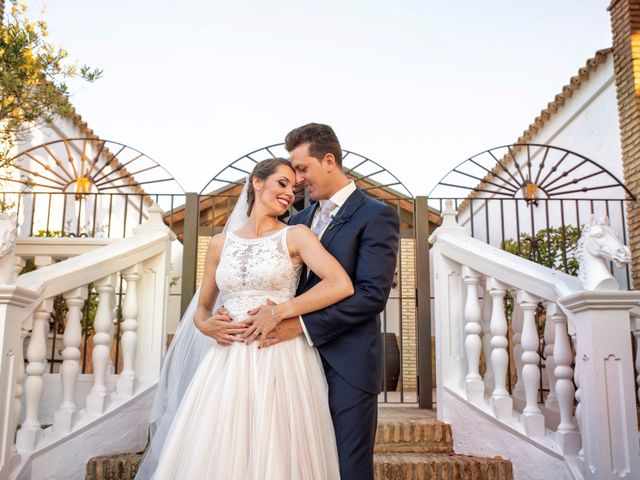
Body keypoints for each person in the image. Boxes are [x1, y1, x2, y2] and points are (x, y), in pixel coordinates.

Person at [136, 158, 353, 479]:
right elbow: (202, 307)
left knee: (275, 446)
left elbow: (341, 284)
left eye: (293, 189)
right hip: (226, 361)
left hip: (278, 355)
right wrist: (205, 325)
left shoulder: (297, 236)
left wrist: (281, 311)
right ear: (257, 182)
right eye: (282, 183)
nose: (289, 194)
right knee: (219, 447)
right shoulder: (220, 244)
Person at [240, 123, 400, 479]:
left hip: (349, 364)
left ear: (329, 160)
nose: (296, 180)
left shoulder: (377, 215)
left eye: (301, 168)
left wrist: (298, 324)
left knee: (348, 467)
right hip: (293, 364)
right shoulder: (298, 220)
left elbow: (372, 295)